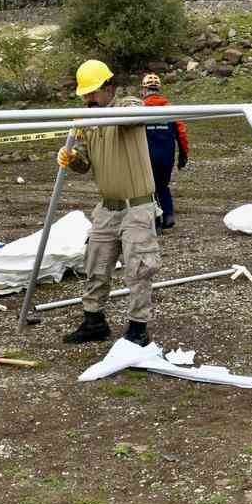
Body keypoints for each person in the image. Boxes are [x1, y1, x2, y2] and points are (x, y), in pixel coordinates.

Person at [60, 59, 160, 346]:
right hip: (106, 207)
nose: (89, 99)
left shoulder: (126, 106)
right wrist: (72, 158)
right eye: (85, 94)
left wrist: (103, 116)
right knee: (96, 264)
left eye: (93, 92)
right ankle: (94, 321)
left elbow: (136, 113)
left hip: (136, 207)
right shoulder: (88, 121)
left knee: (139, 268)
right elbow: (83, 164)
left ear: (109, 87)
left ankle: (138, 329)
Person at [140, 73, 189, 230]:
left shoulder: (140, 109)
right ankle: (168, 215)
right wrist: (184, 154)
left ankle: (156, 221)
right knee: (163, 186)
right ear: (158, 89)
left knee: (148, 188)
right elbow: (181, 133)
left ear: (144, 90)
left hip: (148, 155)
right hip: (167, 156)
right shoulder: (170, 108)